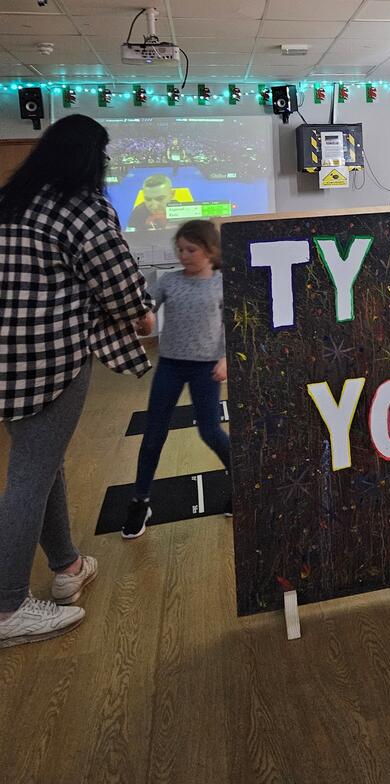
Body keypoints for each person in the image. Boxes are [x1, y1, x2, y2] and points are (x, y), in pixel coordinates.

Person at [0, 115, 153, 649]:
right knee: (28, 478)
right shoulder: (81, 208)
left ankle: (66, 566)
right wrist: (141, 313)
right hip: (50, 360)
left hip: (6, 360)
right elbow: (119, 285)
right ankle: (8, 606)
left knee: (41, 462)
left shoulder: (11, 202)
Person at [122, 220, 230, 538]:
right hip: (170, 365)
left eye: (190, 250)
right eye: (180, 249)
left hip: (206, 367)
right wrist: (142, 320)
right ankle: (140, 501)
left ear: (210, 251)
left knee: (210, 431)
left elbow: (234, 323)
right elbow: (146, 312)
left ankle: (243, 481)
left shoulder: (223, 283)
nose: (183, 255)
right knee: (153, 434)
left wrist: (226, 359)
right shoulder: (169, 281)